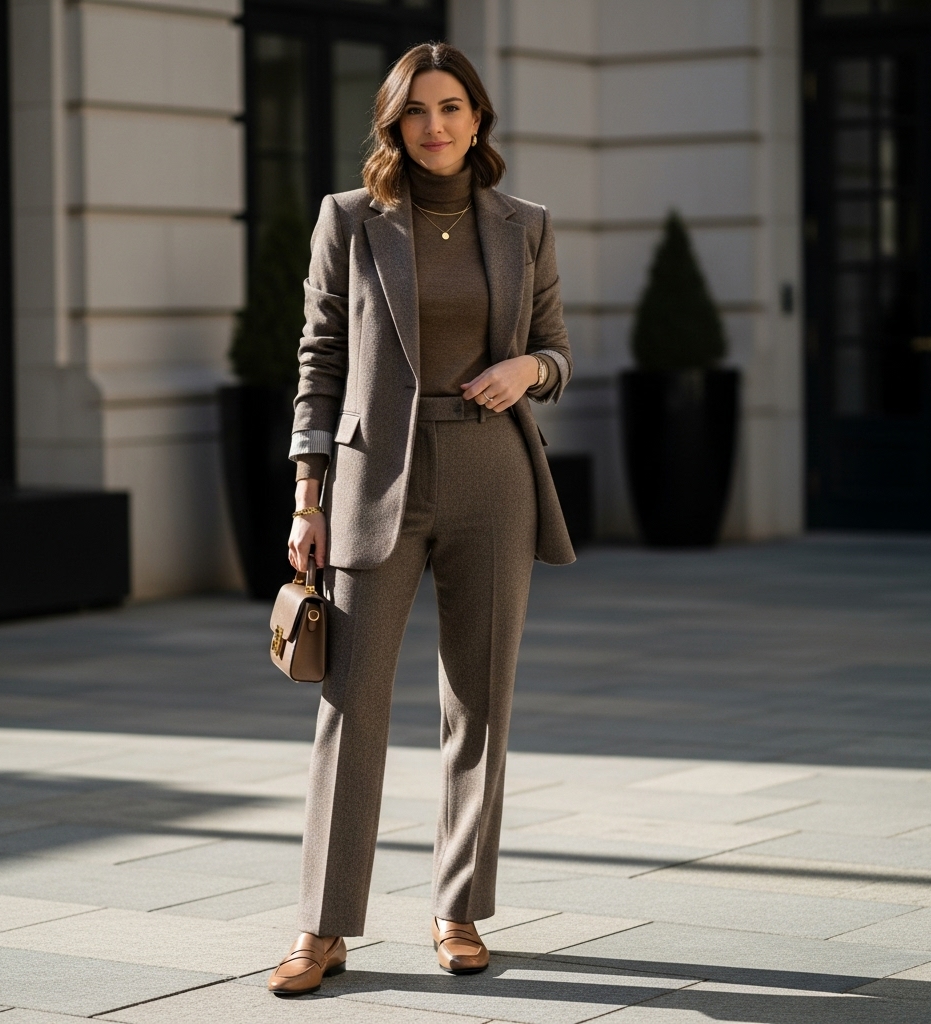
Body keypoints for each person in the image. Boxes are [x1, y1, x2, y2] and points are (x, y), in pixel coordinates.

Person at [268, 41, 575, 997]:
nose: (435, 126)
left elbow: (556, 350)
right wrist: (307, 497)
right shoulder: (351, 221)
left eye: (452, 108)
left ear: (478, 119)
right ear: (393, 124)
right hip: (371, 481)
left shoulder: (524, 225)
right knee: (350, 702)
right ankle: (323, 927)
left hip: (493, 475)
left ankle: (458, 910)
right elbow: (320, 358)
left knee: (480, 703)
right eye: (417, 112)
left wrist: (529, 369)